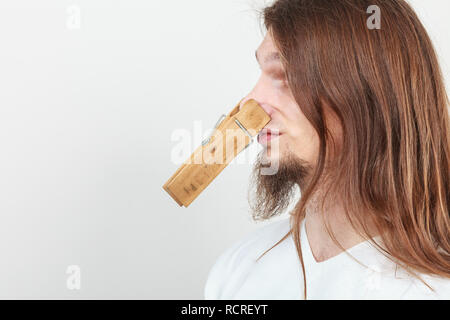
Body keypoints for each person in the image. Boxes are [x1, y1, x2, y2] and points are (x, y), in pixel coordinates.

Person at [204, 0, 450, 299]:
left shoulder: (435, 289)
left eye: (286, 76)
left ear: (367, 97)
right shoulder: (237, 270)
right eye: (262, 73)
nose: (249, 104)